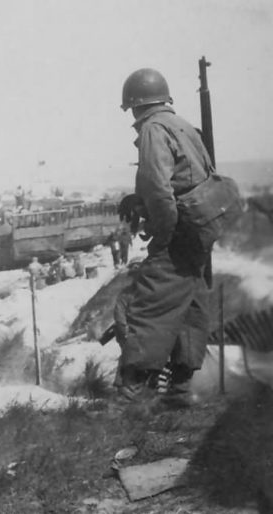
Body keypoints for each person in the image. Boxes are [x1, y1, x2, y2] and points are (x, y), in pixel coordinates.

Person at [113, 68, 212, 407]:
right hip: (199, 231)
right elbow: (192, 178)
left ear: (136, 105)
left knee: (147, 305)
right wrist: (137, 201)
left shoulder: (154, 128)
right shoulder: (183, 126)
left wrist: (163, 238)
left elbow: (160, 191)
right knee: (188, 305)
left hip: (178, 231)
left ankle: (133, 393)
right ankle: (180, 390)